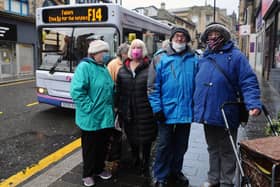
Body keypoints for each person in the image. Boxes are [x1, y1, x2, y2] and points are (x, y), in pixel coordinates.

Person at [193, 22, 262, 187]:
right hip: (207, 111)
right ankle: (213, 178)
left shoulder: (236, 56)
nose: (213, 37)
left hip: (226, 111)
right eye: (210, 35)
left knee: (227, 149)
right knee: (212, 148)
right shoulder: (204, 58)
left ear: (223, 37)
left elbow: (248, 81)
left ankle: (226, 181)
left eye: (217, 34)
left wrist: (253, 103)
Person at [147, 27, 198, 187]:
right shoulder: (159, 58)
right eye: (177, 36)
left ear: (187, 40)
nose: (180, 39)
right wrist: (157, 109)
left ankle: (176, 171)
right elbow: (152, 86)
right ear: (171, 38)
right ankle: (160, 176)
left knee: (181, 145)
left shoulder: (194, 58)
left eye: (183, 36)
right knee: (163, 145)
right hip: (165, 111)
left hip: (185, 111)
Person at [70, 40, 114, 187]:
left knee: (102, 146)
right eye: (104, 52)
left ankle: (99, 169)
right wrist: (90, 108)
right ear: (96, 53)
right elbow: (77, 91)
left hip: (105, 116)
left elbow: (108, 89)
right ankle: (88, 174)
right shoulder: (85, 67)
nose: (107, 55)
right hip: (91, 117)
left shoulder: (103, 68)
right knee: (90, 147)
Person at [115, 39, 157, 176]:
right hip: (128, 111)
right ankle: (135, 158)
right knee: (132, 137)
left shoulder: (150, 67)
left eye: (139, 47)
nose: (136, 50)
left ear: (143, 50)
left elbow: (154, 88)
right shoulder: (123, 70)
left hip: (146, 111)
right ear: (130, 50)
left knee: (146, 139)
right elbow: (118, 91)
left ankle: (145, 161)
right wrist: (118, 109)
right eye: (133, 47)